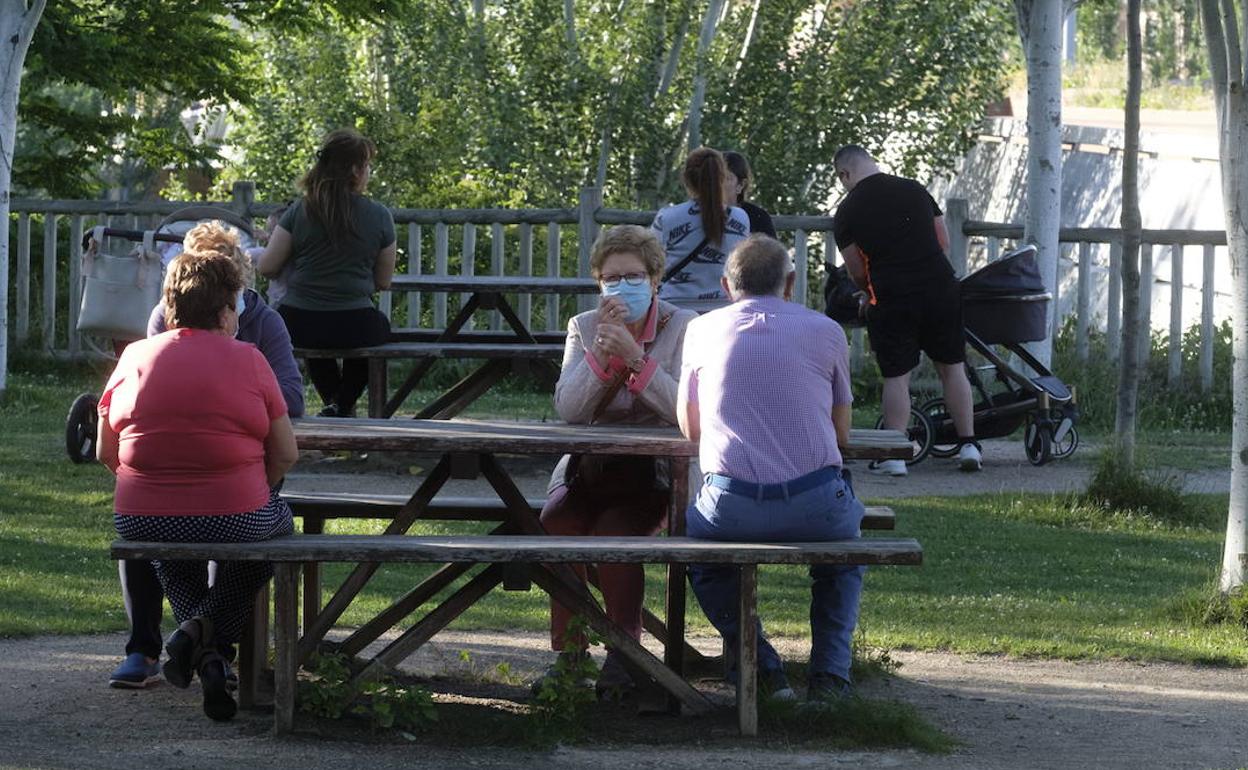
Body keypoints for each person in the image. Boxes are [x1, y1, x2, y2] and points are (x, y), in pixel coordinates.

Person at [99, 251, 299, 721]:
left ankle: (201, 649)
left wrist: (150, 487)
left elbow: (105, 451)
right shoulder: (248, 358)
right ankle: (207, 636)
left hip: (141, 514)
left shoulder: (133, 357)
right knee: (277, 534)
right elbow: (286, 452)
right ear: (226, 309)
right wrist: (259, 492)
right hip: (237, 512)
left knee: (164, 543)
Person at [677, 234, 864, 703]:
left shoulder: (700, 330)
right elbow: (841, 433)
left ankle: (761, 666)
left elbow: (689, 427)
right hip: (817, 505)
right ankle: (830, 678)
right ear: (791, 282)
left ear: (726, 284)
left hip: (729, 507)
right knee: (842, 559)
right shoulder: (826, 331)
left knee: (697, 555)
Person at [537, 225, 697, 699]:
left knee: (614, 537)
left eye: (632, 276)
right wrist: (603, 359)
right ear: (597, 282)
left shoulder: (684, 326)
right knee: (556, 524)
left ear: (654, 280)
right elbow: (569, 408)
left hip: (653, 474)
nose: (621, 286)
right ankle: (569, 655)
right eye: (611, 277)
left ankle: (624, 654)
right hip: (590, 470)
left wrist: (637, 361)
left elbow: (684, 412)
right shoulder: (584, 326)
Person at [831, 145, 981, 475]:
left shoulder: (846, 212)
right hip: (940, 287)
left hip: (893, 295)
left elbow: (856, 269)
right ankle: (969, 446)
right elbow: (942, 242)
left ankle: (895, 455)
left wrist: (866, 294)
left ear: (845, 174)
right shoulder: (915, 189)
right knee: (952, 367)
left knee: (897, 377)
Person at [259, 128, 397, 417]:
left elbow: (267, 267)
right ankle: (343, 404)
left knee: (309, 337)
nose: (368, 172)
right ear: (356, 170)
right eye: (367, 165)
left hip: (298, 320)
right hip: (354, 321)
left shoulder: (299, 211)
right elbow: (383, 281)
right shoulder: (380, 215)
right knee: (376, 332)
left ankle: (337, 405)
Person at [652, 147, 751, 312]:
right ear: (721, 178)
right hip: (724, 310)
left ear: (686, 180)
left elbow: (651, 263)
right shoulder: (741, 218)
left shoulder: (667, 217)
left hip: (673, 309)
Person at [723, 151, 777, 238]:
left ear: (740, 185)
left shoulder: (758, 218)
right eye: (714, 177)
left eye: (726, 178)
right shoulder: (697, 214)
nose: (717, 183)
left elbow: (772, 251)